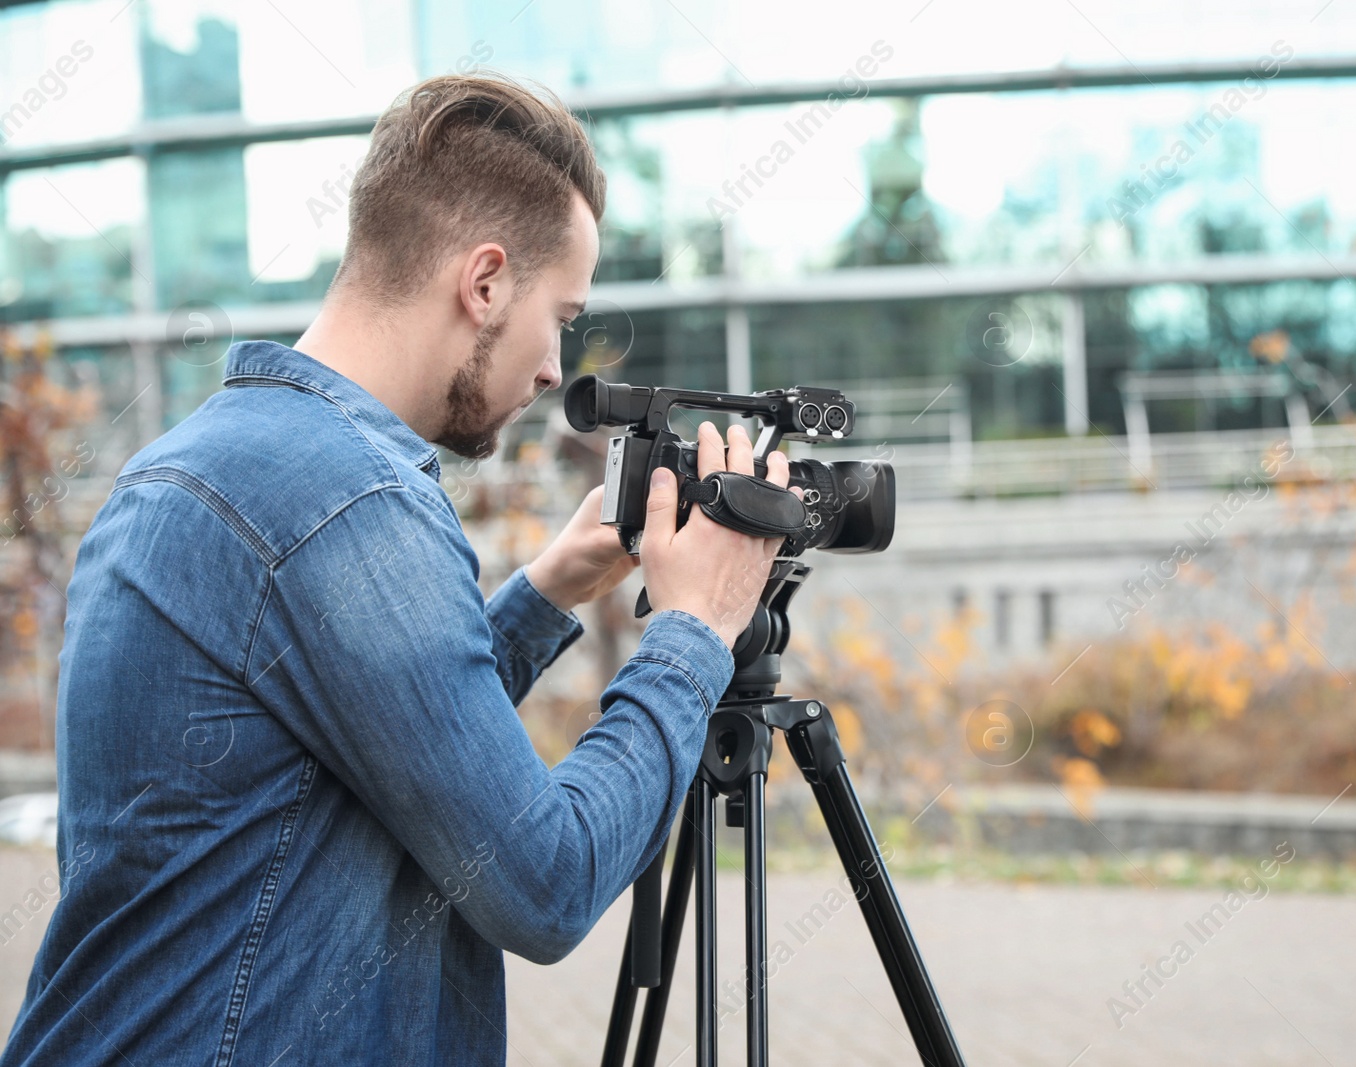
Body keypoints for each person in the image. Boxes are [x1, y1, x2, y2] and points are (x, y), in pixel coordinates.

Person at [1, 73, 794, 1067]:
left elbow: (364, 742)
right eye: (562, 315)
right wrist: (697, 630)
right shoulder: (352, 500)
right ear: (487, 281)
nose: (556, 367)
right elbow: (546, 881)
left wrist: (545, 592)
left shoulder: (193, 464)